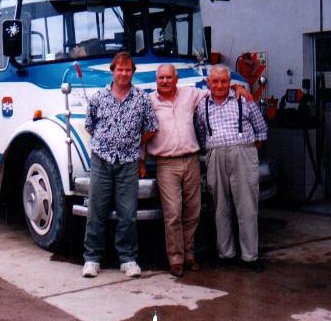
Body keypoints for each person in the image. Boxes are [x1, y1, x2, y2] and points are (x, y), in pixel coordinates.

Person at [143, 64, 250, 277]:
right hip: (166, 163)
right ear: (157, 80)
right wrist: (141, 162)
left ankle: (189, 255)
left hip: (191, 160)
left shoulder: (190, 94)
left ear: (176, 78)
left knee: (193, 211)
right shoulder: (149, 101)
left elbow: (216, 88)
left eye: (169, 77)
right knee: (173, 213)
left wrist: (238, 87)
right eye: (161, 78)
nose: (165, 81)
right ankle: (175, 259)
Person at [82, 52, 158, 278]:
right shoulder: (98, 98)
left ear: (133, 72)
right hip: (102, 160)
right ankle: (92, 259)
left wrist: (132, 142)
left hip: (129, 162)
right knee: (96, 211)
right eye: (120, 69)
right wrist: (107, 142)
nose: (124, 73)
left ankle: (128, 259)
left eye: (128, 70)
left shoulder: (142, 99)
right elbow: (89, 125)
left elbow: (151, 128)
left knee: (128, 213)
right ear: (112, 71)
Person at [194, 64, 268, 273]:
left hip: (242, 153)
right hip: (215, 155)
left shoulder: (243, 99)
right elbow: (201, 133)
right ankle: (226, 254)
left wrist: (247, 153)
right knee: (221, 207)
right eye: (215, 81)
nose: (219, 85)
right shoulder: (202, 105)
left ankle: (250, 256)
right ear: (208, 83)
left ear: (230, 83)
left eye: (224, 81)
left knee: (247, 206)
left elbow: (261, 130)